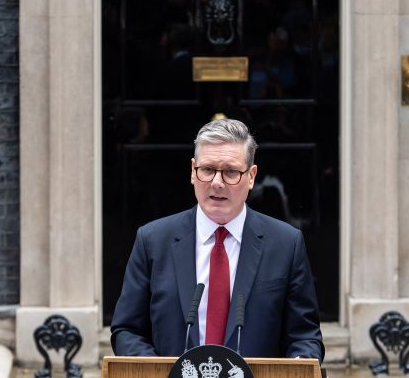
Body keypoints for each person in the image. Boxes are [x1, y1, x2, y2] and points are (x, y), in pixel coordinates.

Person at [110, 118, 324, 360]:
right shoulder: (152, 240)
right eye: (208, 170)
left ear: (251, 176)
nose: (217, 183)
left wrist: (299, 366)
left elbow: (304, 336)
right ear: (193, 171)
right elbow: (127, 330)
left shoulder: (286, 244)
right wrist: (158, 372)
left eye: (231, 172)